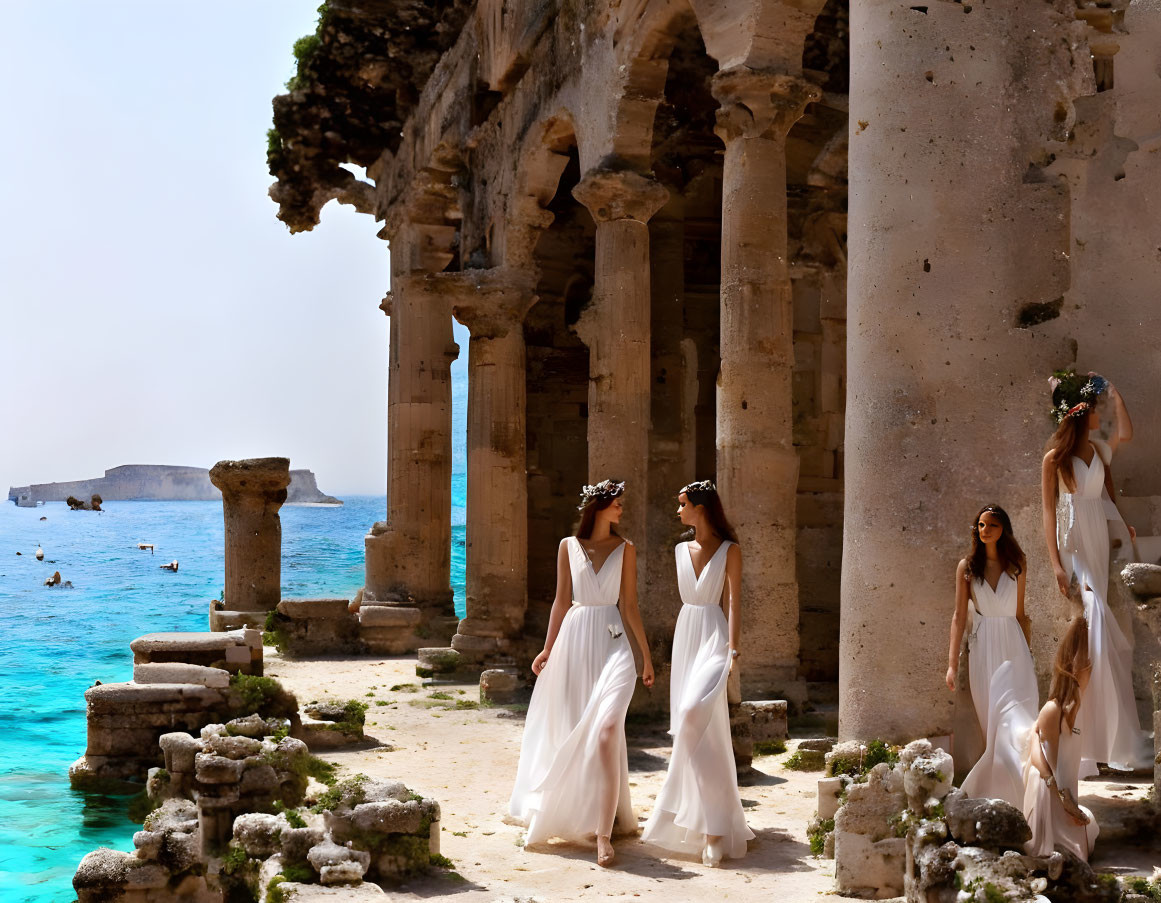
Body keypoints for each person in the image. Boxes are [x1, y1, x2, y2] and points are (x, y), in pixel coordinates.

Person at [508, 479, 654, 867]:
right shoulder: (567, 547)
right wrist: (548, 647)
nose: (622, 510)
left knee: (606, 731)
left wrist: (646, 657)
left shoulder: (627, 550)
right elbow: (560, 602)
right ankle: (579, 813)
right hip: (574, 642)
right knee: (571, 727)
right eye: (617, 504)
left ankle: (604, 835)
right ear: (599, 507)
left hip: (613, 644)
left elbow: (631, 607)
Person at [1040, 370, 1150, 774]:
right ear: (1074, 415)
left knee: (1094, 634)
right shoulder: (1054, 459)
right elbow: (1049, 513)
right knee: (1097, 621)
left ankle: (1097, 738)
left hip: (1099, 539)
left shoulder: (1100, 451)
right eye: (1089, 411)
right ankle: (1080, 733)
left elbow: (1127, 434)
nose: (1096, 417)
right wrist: (1055, 565)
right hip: (1073, 544)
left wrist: (1116, 393)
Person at [642, 480, 753, 867]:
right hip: (687, 635)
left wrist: (734, 649)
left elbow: (735, 601)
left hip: (715, 638)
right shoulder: (678, 551)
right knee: (700, 733)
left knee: (692, 715)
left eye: (683, 503)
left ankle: (691, 812)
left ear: (701, 508)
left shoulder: (730, 550)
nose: (678, 511)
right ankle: (712, 828)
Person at [946, 505, 1038, 808]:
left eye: (992, 525)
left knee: (1018, 722)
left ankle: (1024, 794)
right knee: (993, 725)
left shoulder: (1018, 564)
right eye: (981, 525)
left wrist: (1028, 654)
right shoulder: (967, 567)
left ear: (1004, 530)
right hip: (984, 649)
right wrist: (951, 663)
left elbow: (1022, 615)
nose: (985, 530)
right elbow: (959, 616)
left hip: (1015, 648)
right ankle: (999, 796)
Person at [1023, 617, 1099, 861]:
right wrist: (1066, 803)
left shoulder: (1080, 705)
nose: (1093, 671)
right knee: (1073, 855)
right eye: (1089, 665)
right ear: (1077, 668)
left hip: (1066, 793)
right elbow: (1048, 767)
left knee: (1088, 835)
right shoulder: (1053, 709)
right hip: (1049, 794)